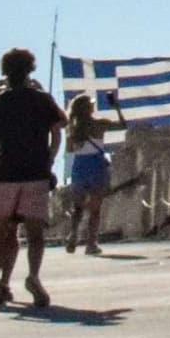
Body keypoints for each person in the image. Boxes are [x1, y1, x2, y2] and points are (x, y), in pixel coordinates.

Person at [0, 47, 64, 309]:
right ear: (31, 69)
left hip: (6, 173)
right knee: (35, 233)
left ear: (5, 72)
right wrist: (50, 158)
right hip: (36, 172)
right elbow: (59, 127)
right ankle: (33, 276)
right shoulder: (42, 99)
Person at [57, 91, 112, 254]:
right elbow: (123, 125)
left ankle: (73, 235)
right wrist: (116, 108)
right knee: (95, 209)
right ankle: (91, 243)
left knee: (78, 207)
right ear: (88, 108)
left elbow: (69, 151)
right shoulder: (99, 124)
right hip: (96, 165)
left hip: (80, 165)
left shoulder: (72, 129)